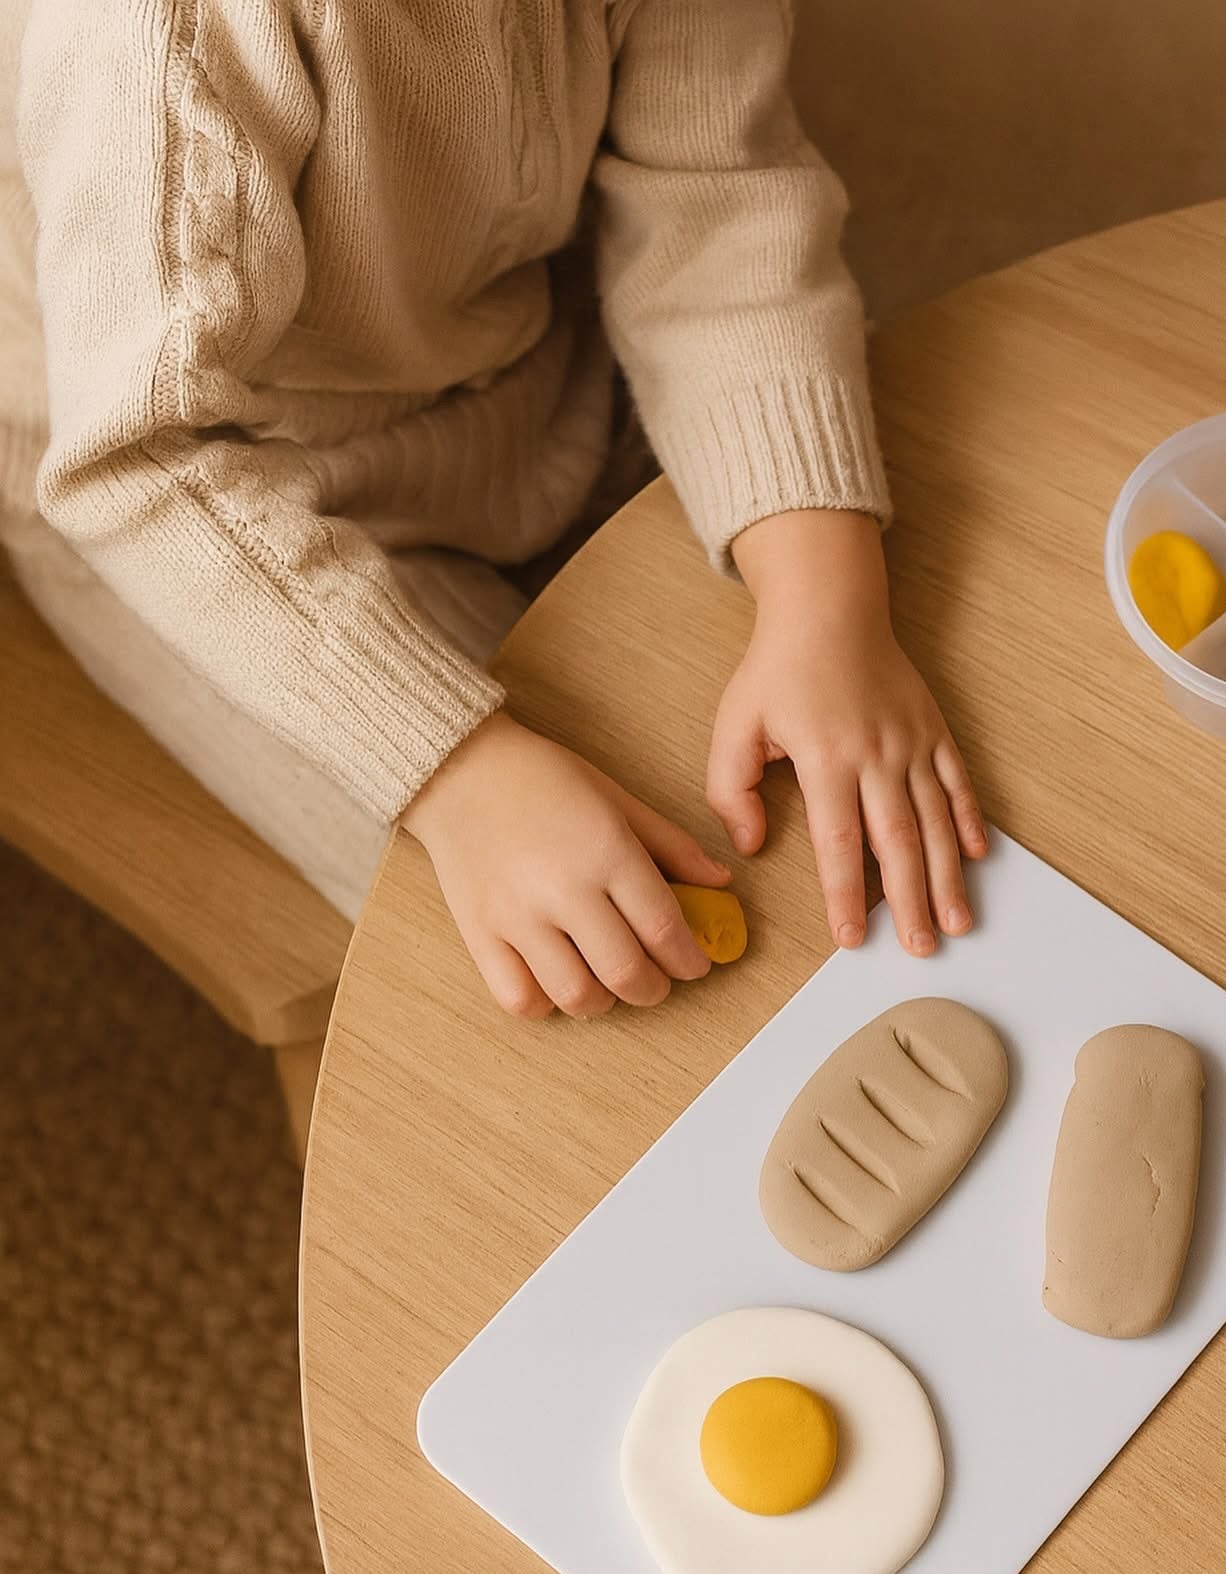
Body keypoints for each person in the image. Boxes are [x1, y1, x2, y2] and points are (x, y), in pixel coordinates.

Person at [0, 1, 986, 1020]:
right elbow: (139, 469)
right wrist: (458, 775)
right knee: (559, 960)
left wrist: (822, 604)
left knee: (824, 784)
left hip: (511, 356)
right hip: (192, 497)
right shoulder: (152, 33)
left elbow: (719, 204)